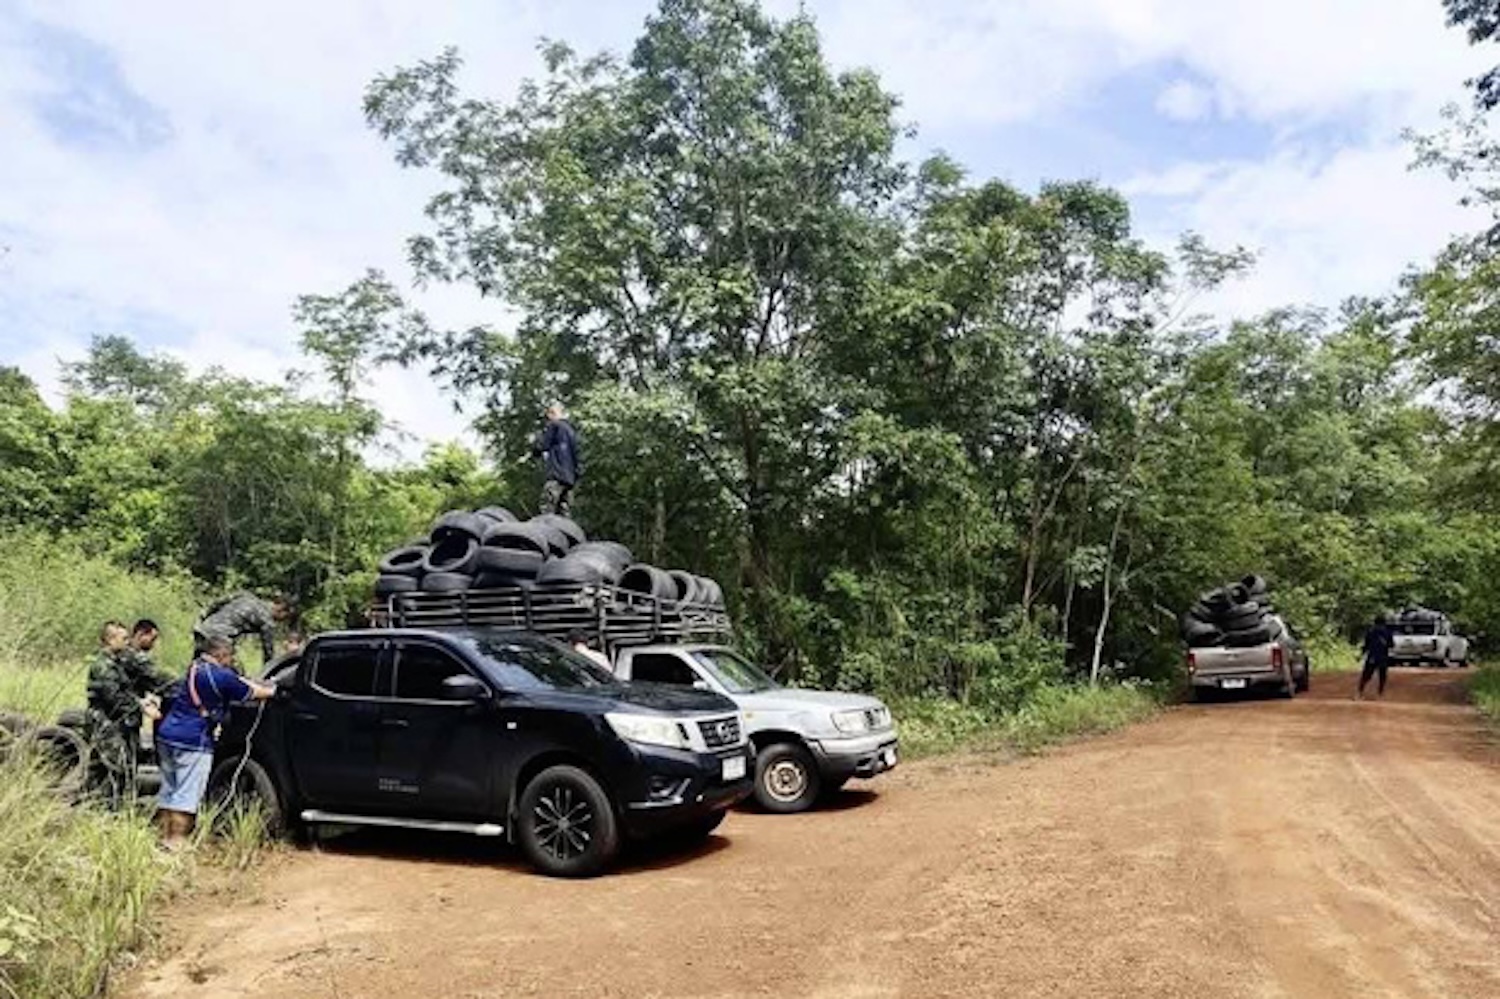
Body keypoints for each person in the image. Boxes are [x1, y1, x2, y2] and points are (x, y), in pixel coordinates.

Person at [154, 636, 275, 847]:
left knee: (169, 790)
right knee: (187, 794)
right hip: (193, 740)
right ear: (221, 654)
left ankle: (164, 837)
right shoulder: (221, 676)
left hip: (167, 735)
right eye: (230, 657)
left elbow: (238, 682)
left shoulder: (195, 668)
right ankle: (177, 841)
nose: (231, 661)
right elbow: (254, 692)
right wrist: (275, 690)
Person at [85, 620, 161, 805]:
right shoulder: (103, 666)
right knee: (119, 769)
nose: (128, 642)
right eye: (124, 639)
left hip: (117, 723)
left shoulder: (117, 663)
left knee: (107, 769)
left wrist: (141, 701)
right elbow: (115, 697)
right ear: (110, 640)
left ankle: (98, 804)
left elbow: (126, 690)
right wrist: (142, 706)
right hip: (106, 723)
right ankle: (109, 807)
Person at [194, 592, 289, 665]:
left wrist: (203, 618)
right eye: (285, 616)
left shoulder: (246, 596)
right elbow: (268, 654)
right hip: (220, 637)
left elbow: (218, 602)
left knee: (196, 666)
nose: (283, 621)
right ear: (281, 609)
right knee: (233, 671)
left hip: (204, 628)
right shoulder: (267, 621)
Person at [532, 402, 582, 516]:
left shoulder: (554, 426)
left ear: (553, 413)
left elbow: (542, 445)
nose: (548, 417)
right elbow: (577, 455)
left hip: (556, 475)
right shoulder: (571, 431)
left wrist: (536, 444)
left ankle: (545, 528)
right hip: (569, 478)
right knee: (564, 511)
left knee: (547, 508)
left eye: (550, 413)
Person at [1357, 613, 1394, 700]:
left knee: (1366, 676)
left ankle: (1360, 693)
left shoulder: (1371, 632)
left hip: (1372, 657)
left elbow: (1366, 646)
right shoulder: (1388, 632)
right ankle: (1380, 694)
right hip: (1383, 657)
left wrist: (1361, 655)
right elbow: (1391, 645)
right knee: (1382, 676)